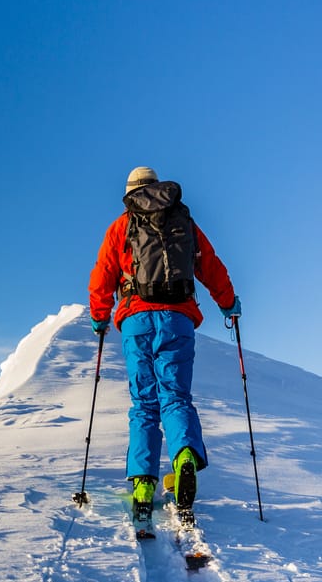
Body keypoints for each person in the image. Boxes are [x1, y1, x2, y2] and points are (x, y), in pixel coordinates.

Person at [87, 166, 242, 523]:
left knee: (144, 402)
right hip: (178, 318)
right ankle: (184, 456)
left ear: (129, 192)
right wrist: (228, 303)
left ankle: (143, 484)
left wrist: (99, 317)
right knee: (176, 396)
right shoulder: (184, 223)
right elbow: (211, 267)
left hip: (137, 318)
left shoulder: (121, 226)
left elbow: (102, 274)